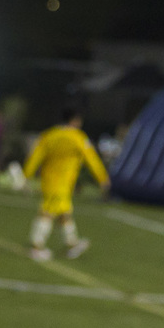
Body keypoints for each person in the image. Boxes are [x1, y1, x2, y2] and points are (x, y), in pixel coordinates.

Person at [23, 108, 110, 260]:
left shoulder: (49, 135)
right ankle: (36, 246)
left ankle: (71, 243)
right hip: (63, 182)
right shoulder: (78, 137)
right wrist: (103, 178)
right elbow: (92, 159)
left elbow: (35, 156)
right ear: (75, 120)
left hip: (49, 180)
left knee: (63, 212)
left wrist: (26, 175)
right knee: (48, 211)